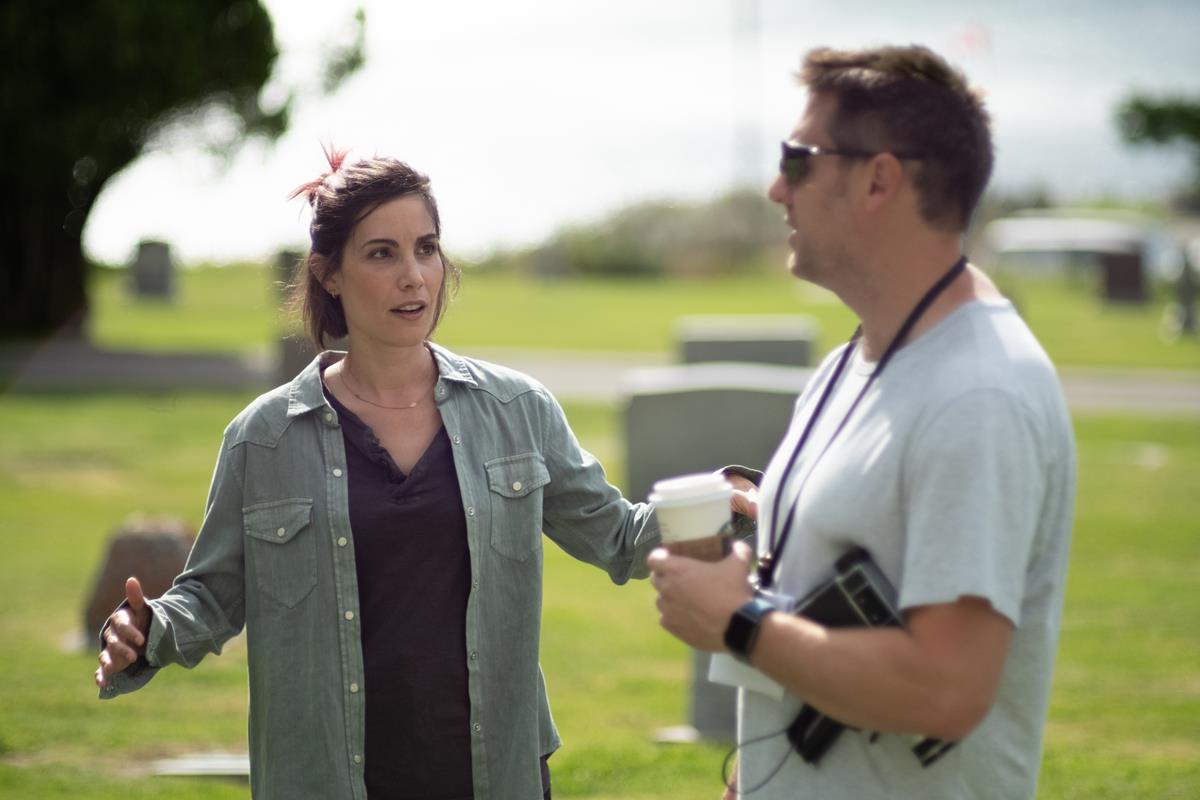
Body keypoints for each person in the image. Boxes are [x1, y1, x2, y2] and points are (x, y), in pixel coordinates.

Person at [95, 150, 661, 800]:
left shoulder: (519, 412)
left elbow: (621, 537)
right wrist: (147, 631)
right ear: (328, 274)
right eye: (382, 254)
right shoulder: (264, 438)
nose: (414, 277)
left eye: (427, 249)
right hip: (325, 779)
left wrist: (728, 502)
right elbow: (214, 596)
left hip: (492, 774)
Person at [648, 44, 1076, 799]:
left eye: (799, 159)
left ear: (879, 179)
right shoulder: (856, 360)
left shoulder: (979, 395)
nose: (777, 187)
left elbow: (947, 691)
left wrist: (739, 620)